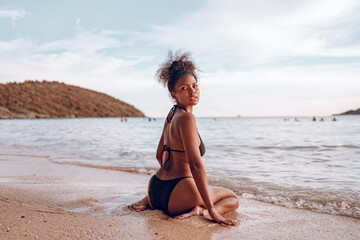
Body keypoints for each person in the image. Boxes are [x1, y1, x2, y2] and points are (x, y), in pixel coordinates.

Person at [130, 50, 239, 226]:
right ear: (174, 94)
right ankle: (200, 210)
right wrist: (211, 210)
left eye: (194, 86)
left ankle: (148, 201)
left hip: (155, 189)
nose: (192, 91)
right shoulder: (187, 118)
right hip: (179, 193)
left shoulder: (172, 114)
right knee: (232, 199)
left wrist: (166, 182)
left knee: (212, 193)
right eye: (184, 88)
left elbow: (159, 155)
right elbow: (195, 165)